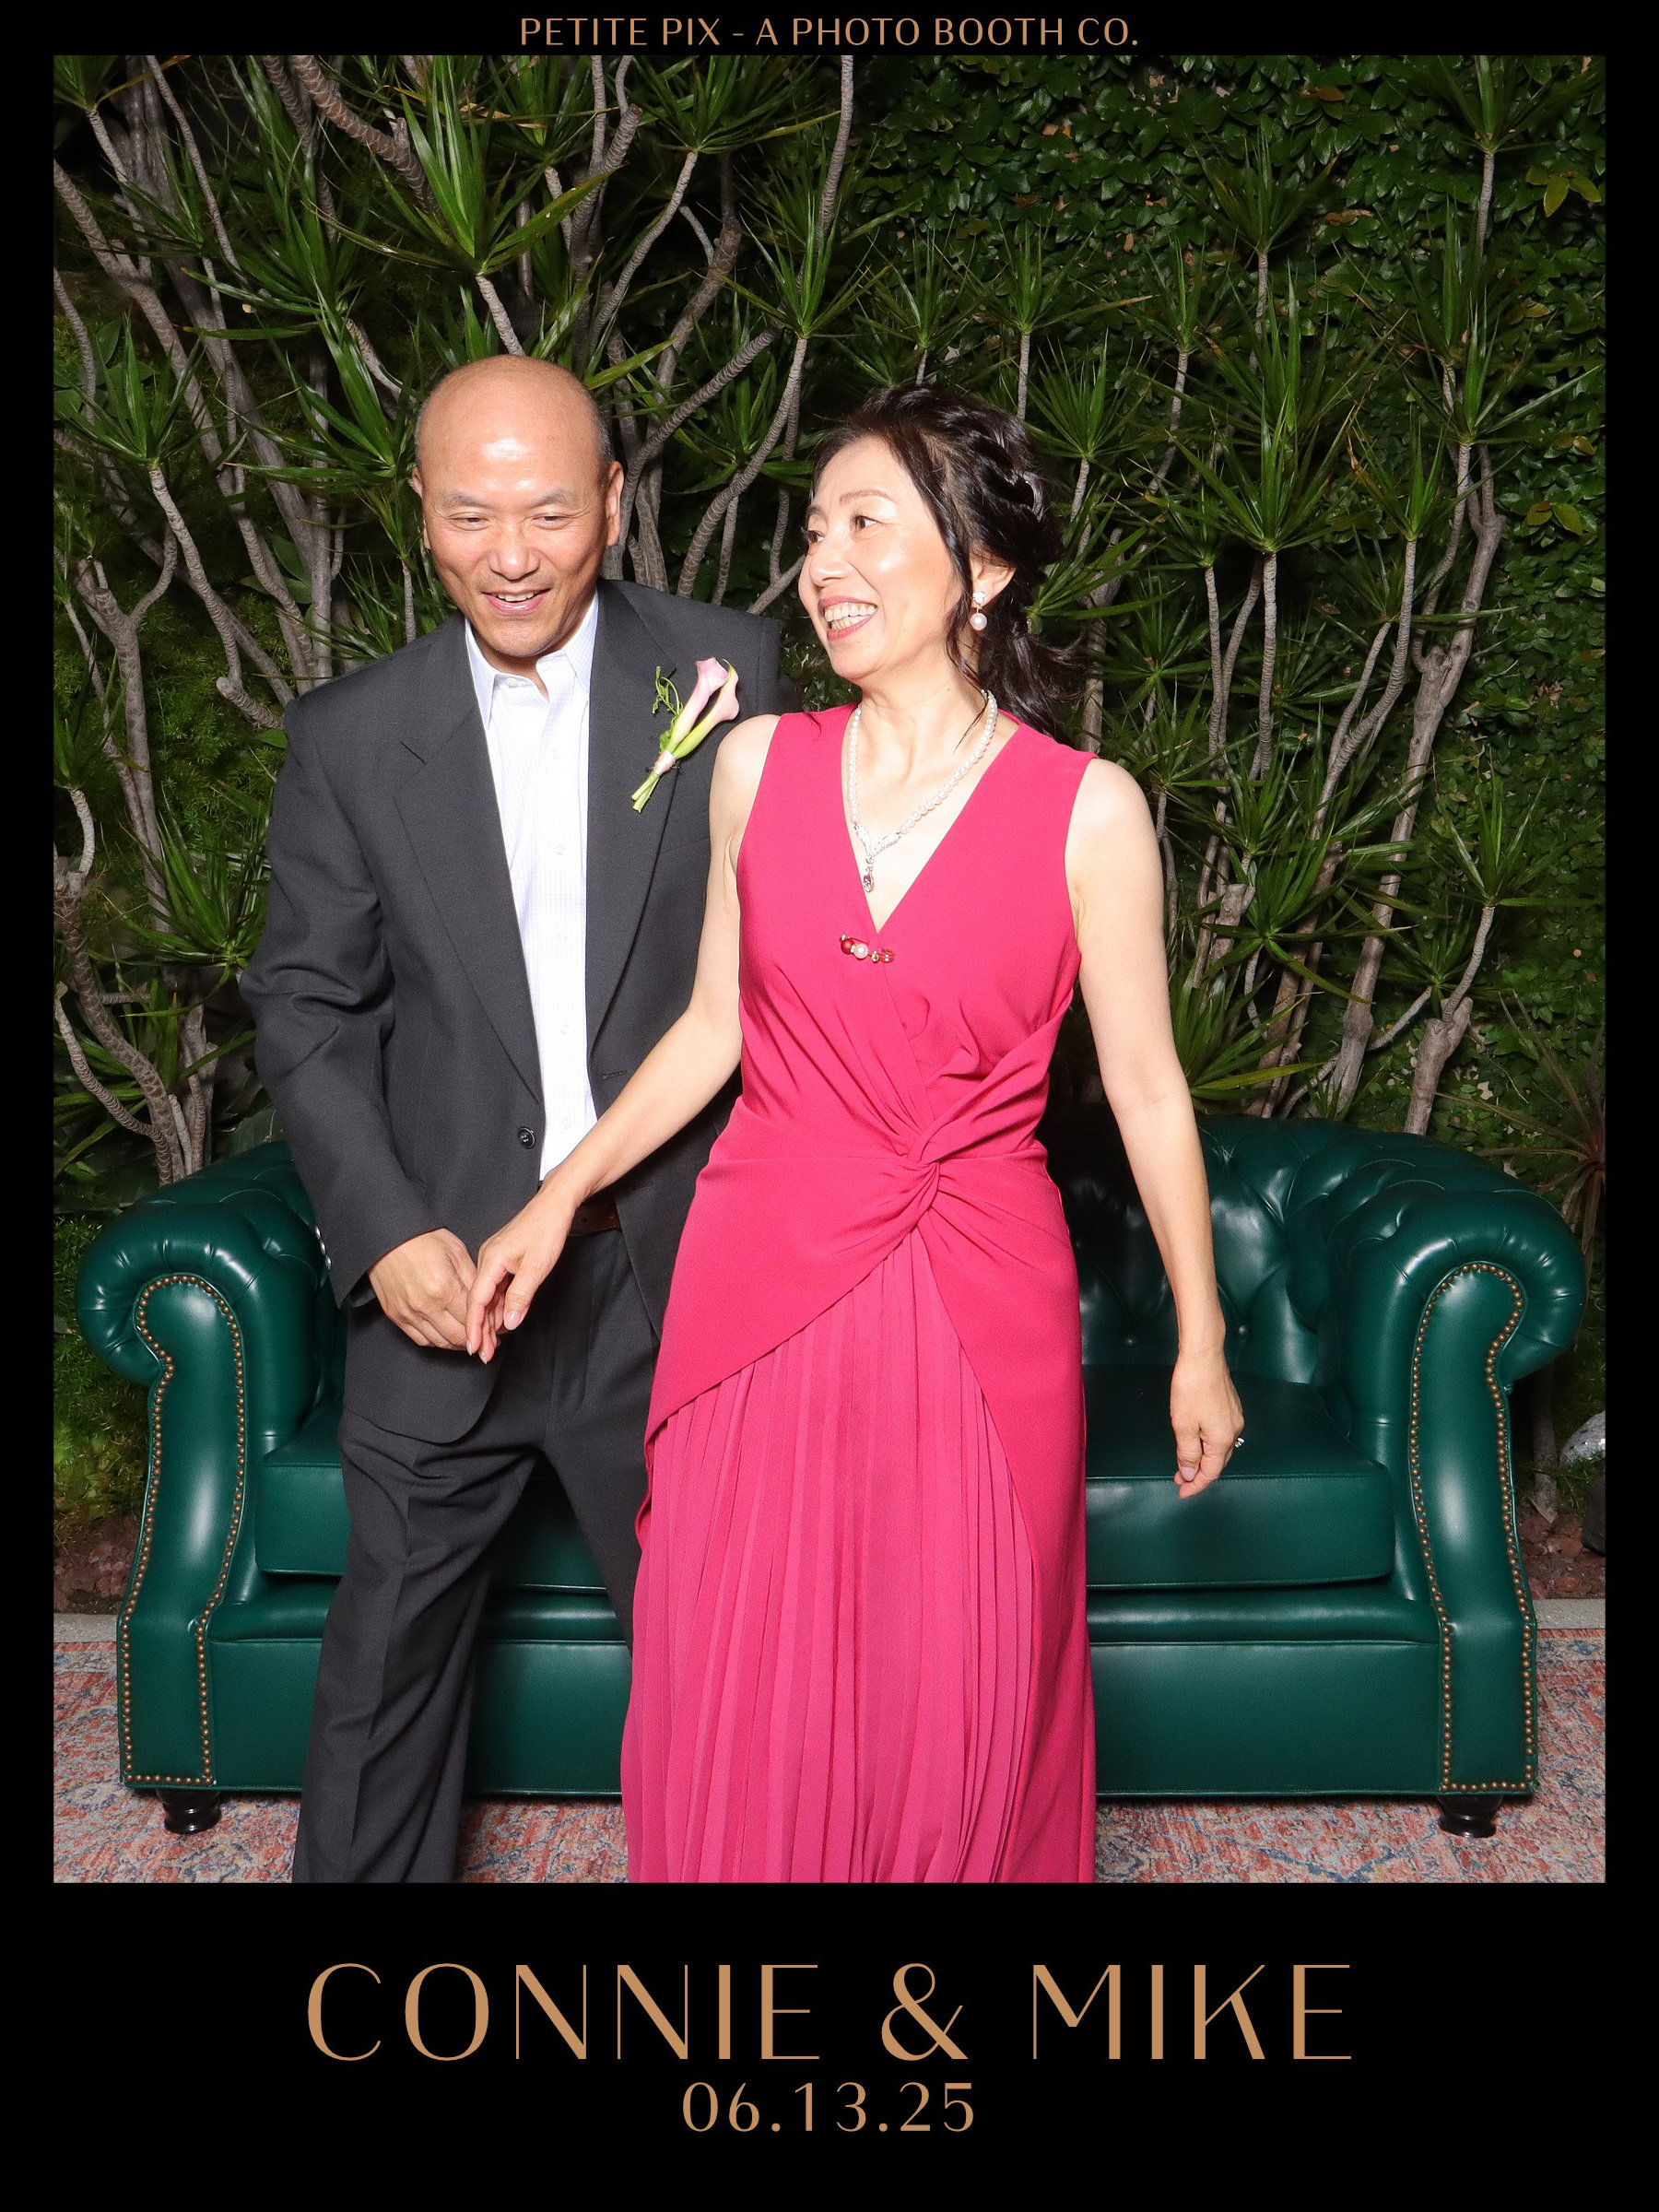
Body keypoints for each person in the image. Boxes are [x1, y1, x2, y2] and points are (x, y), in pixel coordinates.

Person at [465, 384, 1243, 1883]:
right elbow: (712, 1027)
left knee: (962, 1681)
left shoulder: (1089, 812)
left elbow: (1149, 1089)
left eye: (867, 526)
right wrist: (558, 1199)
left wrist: (1200, 1339)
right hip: (760, 1278)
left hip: (975, 1294)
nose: (824, 563)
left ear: (982, 569)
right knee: (736, 1669)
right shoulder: (755, 765)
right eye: (815, 531)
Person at [240, 356, 794, 1882]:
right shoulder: (354, 735)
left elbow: (788, 968)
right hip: (446, 1272)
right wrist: (385, 1232)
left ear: (613, 505)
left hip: (673, 1274)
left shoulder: (730, 671)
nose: (511, 554)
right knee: (380, 1683)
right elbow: (308, 1007)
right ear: (418, 512)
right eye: (471, 514)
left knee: (737, 1674)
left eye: (549, 511)